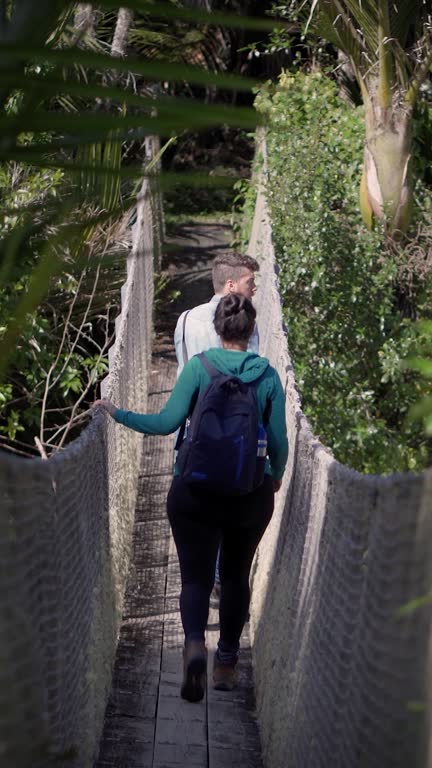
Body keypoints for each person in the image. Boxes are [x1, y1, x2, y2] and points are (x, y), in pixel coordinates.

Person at [94, 294, 288, 703]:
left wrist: (116, 412)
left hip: (194, 492)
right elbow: (279, 443)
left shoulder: (199, 369)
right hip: (249, 497)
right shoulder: (268, 375)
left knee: (196, 578)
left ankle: (196, 646)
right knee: (235, 576)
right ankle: (228, 664)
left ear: (218, 328)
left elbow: (165, 424)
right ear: (252, 331)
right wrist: (274, 477)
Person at [174, 252, 260, 374]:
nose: (254, 287)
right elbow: (251, 372)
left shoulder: (185, 319)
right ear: (231, 285)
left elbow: (183, 369)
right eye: (249, 282)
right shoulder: (245, 320)